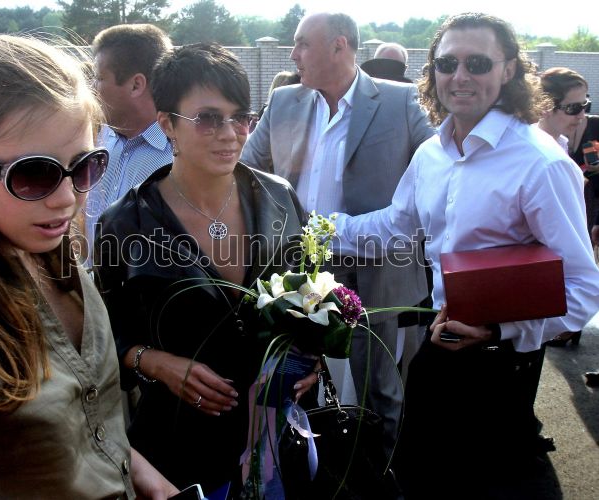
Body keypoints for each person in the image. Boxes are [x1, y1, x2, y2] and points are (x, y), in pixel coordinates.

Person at [0, 33, 178, 499]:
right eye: (33, 173)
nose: (68, 198)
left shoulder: (58, 261)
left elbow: (89, 425)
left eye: (86, 166)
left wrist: (145, 478)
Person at [333, 12, 599, 497]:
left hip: (503, 366)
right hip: (438, 350)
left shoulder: (540, 163)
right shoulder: (431, 154)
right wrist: (321, 228)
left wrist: (498, 331)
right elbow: (396, 225)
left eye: (477, 63)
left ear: (509, 69)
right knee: (419, 479)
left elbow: (582, 289)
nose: (459, 76)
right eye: (446, 63)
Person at [94, 43, 315, 494]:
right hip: (178, 447)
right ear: (167, 124)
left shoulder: (279, 198)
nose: (230, 133)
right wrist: (155, 362)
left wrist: (313, 357)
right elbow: (102, 336)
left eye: (241, 117)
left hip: (275, 439)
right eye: (209, 118)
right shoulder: (127, 222)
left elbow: (313, 292)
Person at [241, 11, 434, 456]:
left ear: (339, 45)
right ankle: (306, 466)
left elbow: (441, 167)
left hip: (376, 270)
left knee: (377, 391)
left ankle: (377, 472)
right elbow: (247, 173)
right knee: (295, 380)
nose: (293, 55)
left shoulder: (400, 101)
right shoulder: (284, 101)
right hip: (298, 275)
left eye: (302, 43)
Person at [85, 24, 174, 259]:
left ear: (136, 85)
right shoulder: (96, 142)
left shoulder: (179, 157)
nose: (91, 89)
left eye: (98, 78)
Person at [538, 67, 593, 348]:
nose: (582, 115)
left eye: (586, 105)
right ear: (545, 106)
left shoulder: (559, 144)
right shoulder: (538, 154)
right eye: (574, 108)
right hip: (538, 275)